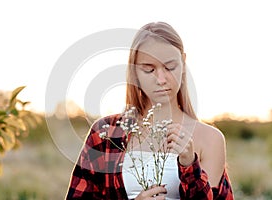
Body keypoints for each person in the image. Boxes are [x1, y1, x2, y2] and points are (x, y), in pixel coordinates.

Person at [66, 22, 234, 200]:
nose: (161, 79)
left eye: (170, 67)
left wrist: (189, 164)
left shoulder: (210, 138)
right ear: (134, 70)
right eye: (149, 69)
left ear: (183, 63)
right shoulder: (105, 133)